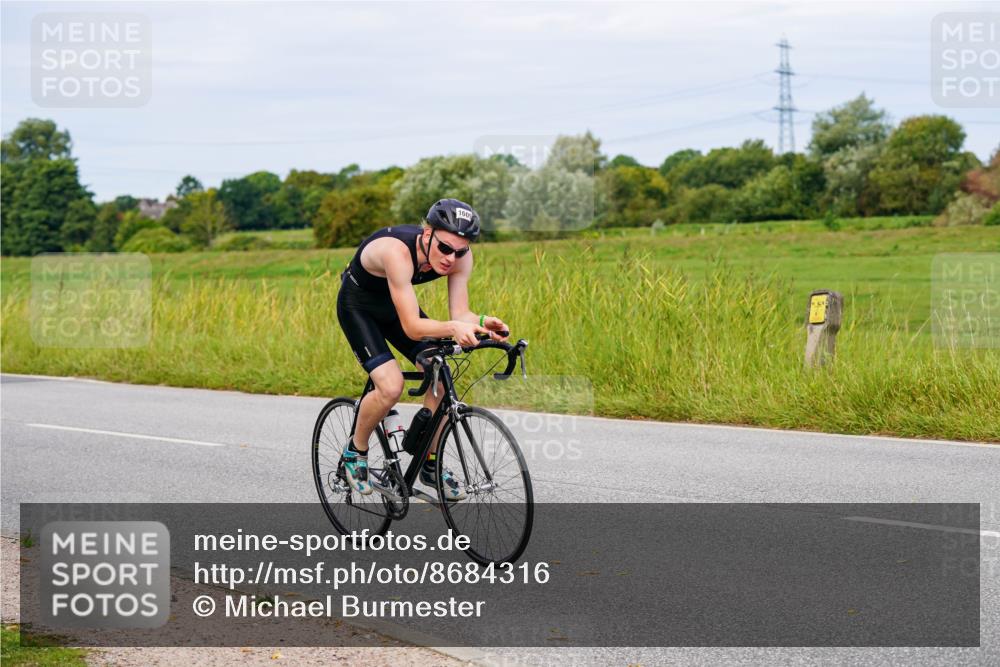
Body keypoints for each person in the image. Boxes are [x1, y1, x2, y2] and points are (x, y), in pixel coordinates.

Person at [336, 198, 509, 500]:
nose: (451, 258)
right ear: (428, 234)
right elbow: (413, 327)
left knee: (440, 373)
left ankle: (429, 462)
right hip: (358, 306)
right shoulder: (397, 252)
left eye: (460, 251)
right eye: (444, 248)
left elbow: (460, 314)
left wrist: (482, 322)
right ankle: (355, 451)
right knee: (391, 387)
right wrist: (454, 328)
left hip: (396, 306)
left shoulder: (460, 257)